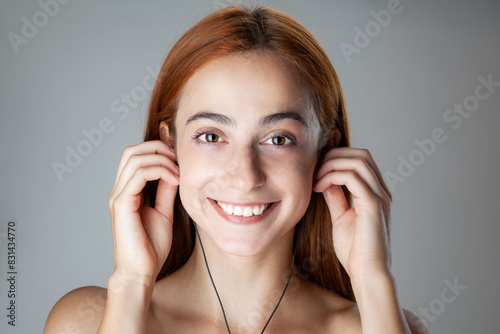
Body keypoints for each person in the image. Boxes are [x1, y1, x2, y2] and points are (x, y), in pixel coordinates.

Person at [44, 4, 428, 333]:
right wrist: (131, 283)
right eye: (211, 136)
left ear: (325, 153)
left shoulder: (382, 323)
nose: (246, 176)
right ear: (168, 146)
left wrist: (372, 280)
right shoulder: (83, 322)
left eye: (278, 139)